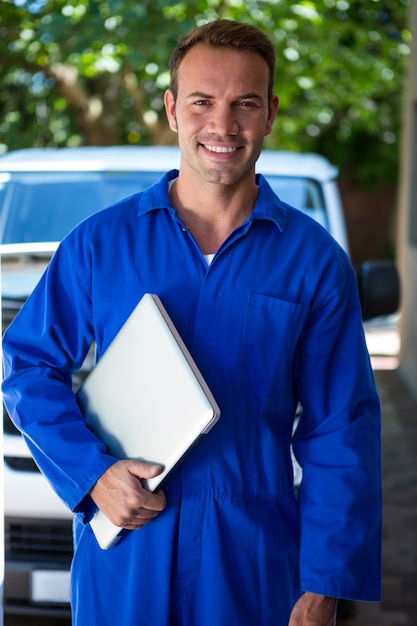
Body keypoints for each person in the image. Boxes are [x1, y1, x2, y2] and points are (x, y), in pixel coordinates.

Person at [2, 19, 381, 626]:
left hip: (254, 558)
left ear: (271, 113)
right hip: (128, 553)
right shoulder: (100, 244)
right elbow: (28, 366)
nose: (223, 126)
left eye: (245, 104)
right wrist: (92, 474)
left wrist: (323, 583)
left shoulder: (313, 261)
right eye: (203, 102)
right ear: (174, 110)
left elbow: (343, 428)